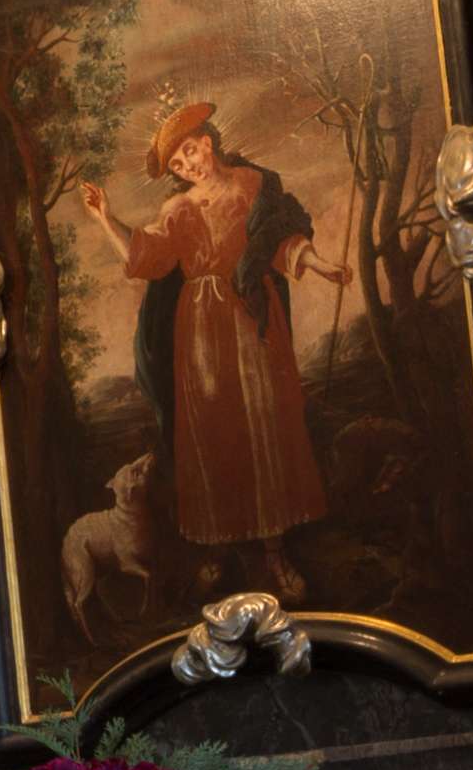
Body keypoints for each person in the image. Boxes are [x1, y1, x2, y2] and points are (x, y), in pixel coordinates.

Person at [78, 100, 346, 595]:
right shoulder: (176, 209)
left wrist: (324, 265)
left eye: (188, 153)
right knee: (213, 430)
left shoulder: (254, 185)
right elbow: (145, 257)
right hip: (200, 325)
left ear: (206, 141)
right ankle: (219, 543)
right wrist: (105, 218)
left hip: (252, 314)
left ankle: (275, 551)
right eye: (177, 166)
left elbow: (280, 242)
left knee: (265, 422)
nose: (187, 167)